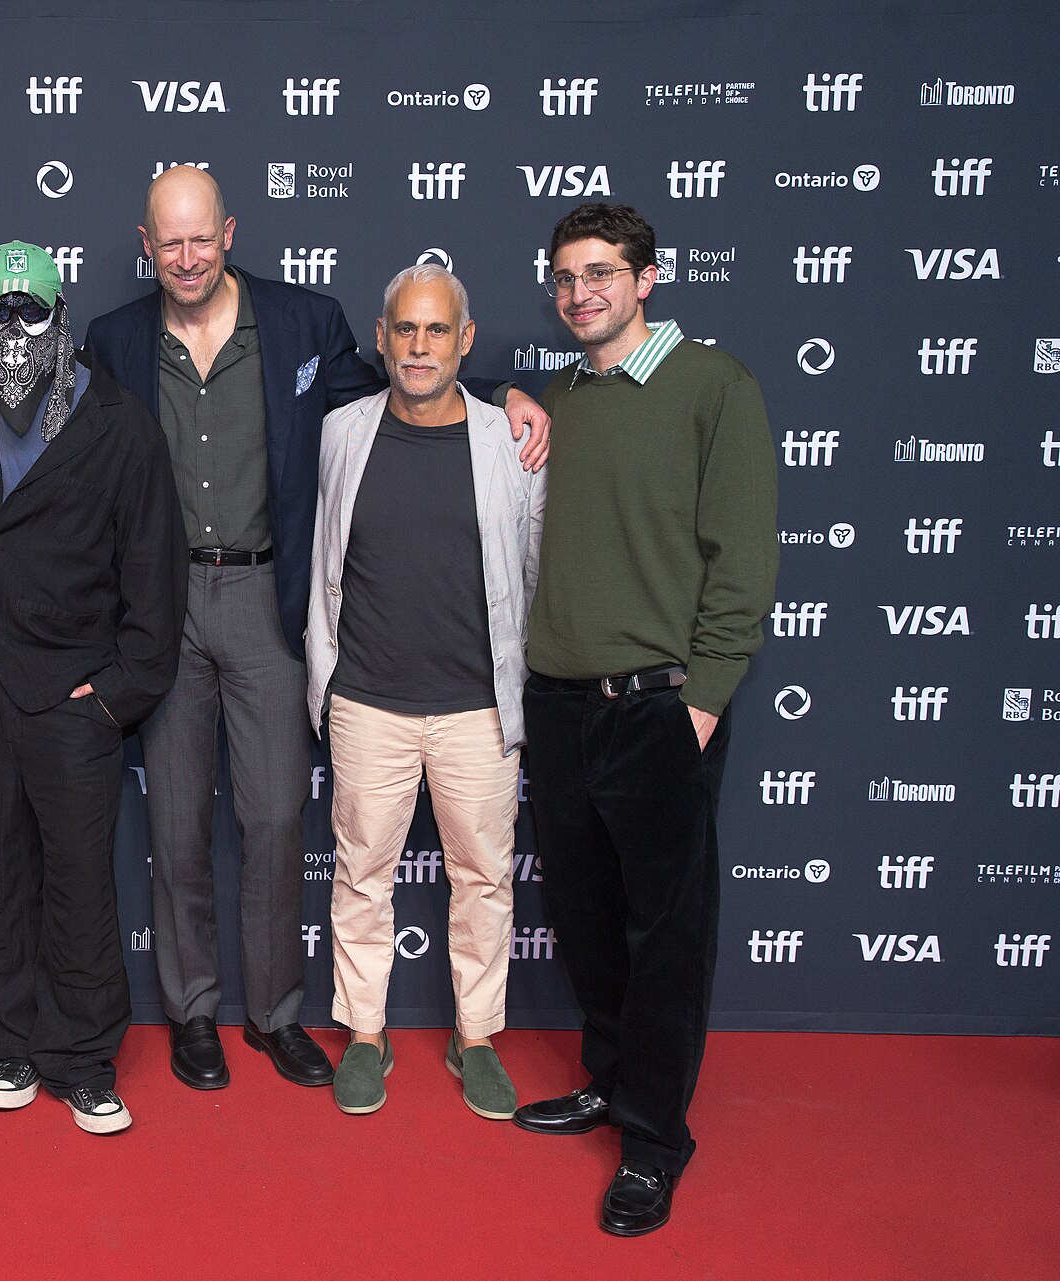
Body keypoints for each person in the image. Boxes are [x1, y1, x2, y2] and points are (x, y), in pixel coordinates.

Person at [81, 165, 550, 1091]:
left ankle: (275, 1015)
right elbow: (55, 423)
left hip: (269, 599)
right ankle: (191, 1013)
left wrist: (516, 395)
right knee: (175, 827)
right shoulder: (111, 340)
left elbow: (408, 381)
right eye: (167, 241)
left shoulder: (303, 322)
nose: (185, 256)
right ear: (146, 246)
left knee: (272, 818)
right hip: (163, 606)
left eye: (200, 237)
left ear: (229, 233)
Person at [513, 203, 777, 1236]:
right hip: (562, 707)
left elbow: (743, 560)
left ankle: (655, 1142)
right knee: (585, 919)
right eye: (566, 277)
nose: (582, 292)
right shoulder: (566, 398)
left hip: (660, 707)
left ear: (648, 278)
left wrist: (703, 701)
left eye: (601, 273)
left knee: (665, 935)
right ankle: (613, 1083)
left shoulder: (715, 386)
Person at [0, 241, 183, 1133]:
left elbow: (153, 571)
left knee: (78, 882)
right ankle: (16, 1043)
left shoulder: (119, 422)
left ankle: (83, 1055)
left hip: (73, 696)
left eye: (34, 313)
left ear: (62, 316)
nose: (16, 330)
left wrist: (115, 693)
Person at [306, 265, 542, 1119]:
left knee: (484, 876)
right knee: (361, 872)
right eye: (405, 329)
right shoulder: (340, 432)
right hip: (367, 698)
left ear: (465, 342)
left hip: (478, 706)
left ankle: (475, 1036)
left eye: (437, 331)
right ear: (380, 336)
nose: (419, 346)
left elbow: (531, 569)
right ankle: (365, 1031)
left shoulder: (511, 442)